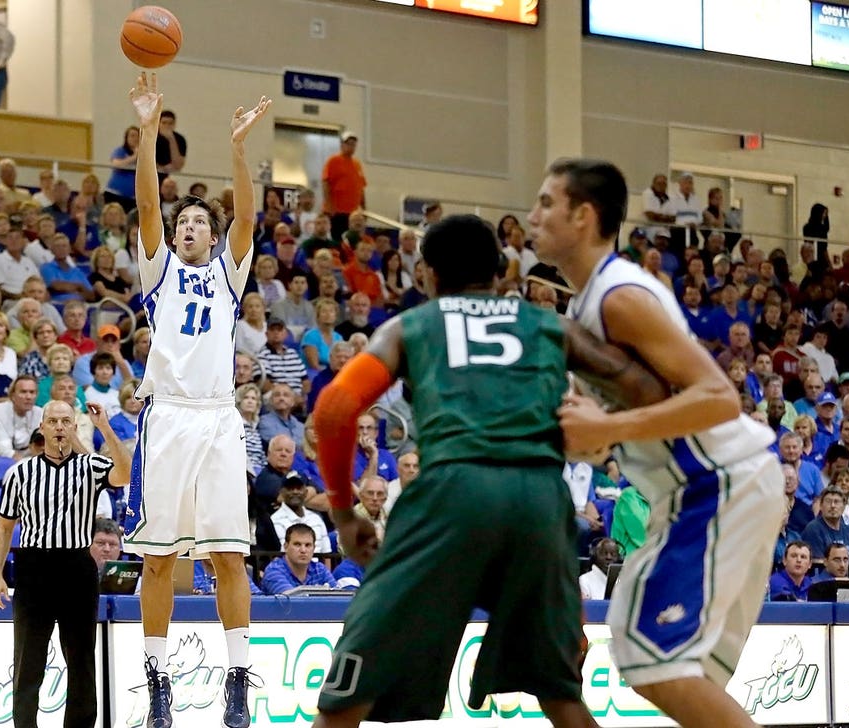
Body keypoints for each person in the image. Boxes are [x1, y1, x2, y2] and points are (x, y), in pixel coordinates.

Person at [310, 213, 672, 728]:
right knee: (562, 697)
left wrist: (346, 516)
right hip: (540, 501)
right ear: (502, 270)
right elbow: (644, 386)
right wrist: (601, 422)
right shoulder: (550, 324)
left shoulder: (411, 325)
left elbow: (333, 409)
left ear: (428, 274)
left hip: (451, 492)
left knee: (347, 698)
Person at [534, 159, 785, 728]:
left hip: (719, 483)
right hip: (708, 489)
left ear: (584, 216)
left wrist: (608, 429)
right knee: (670, 667)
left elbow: (720, 396)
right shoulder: (587, 308)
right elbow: (606, 438)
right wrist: (588, 436)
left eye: (547, 203)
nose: (532, 216)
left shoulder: (619, 298)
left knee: (651, 659)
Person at [121, 72, 272, 728]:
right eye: (182, 222)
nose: (186, 227)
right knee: (157, 560)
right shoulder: (157, 270)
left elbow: (248, 214)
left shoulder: (228, 273)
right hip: (170, 417)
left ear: (211, 239)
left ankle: (238, 677)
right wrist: (150, 128)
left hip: (217, 419)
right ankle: (157, 682)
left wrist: (238, 151)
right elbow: (147, 206)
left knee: (228, 555)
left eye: (196, 223)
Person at [0, 401, 129, 728]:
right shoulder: (20, 472)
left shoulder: (91, 466)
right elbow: (4, 527)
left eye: (67, 421)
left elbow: (123, 474)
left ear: (74, 428)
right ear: (43, 426)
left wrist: (105, 427)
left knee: (81, 660)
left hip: (77, 566)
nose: (60, 427)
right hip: (34, 567)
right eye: (53, 421)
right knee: (28, 661)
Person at [261, 524, 338, 594]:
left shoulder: (320, 569)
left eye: (308, 545)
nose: (303, 550)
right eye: (297, 544)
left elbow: (337, 597)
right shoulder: (274, 570)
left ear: (314, 548)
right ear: (285, 546)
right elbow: (293, 602)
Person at [322, 132, 365, 238]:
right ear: (342, 145)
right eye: (348, 144)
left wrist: (364, 208)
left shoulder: (357, 164)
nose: (351, 147)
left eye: (353, 144)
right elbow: (325, 182)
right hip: (337, 212)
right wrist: (329, 207)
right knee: (338, 240)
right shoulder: (333, 161)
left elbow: (361, 187)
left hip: (353, 213)